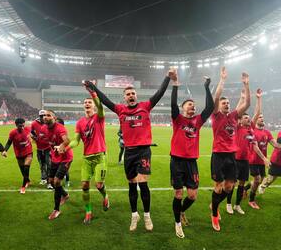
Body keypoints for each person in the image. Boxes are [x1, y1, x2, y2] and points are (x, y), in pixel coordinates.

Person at [84, 68, 174, 232]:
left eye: (133, 93)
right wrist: (93, 88)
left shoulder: (146, 106)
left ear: (136, 95)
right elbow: (105, 100)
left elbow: (160, 93)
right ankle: (134, 215)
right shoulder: (120, 110)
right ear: (124, 98)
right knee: (132, 185)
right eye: (128, 94)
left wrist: (167, 77)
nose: (131, 95)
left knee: (143, 183)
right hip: (129, 152)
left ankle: (146, 215)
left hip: (143, 151)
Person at [170, 71, 214, 238]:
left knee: (192, 196)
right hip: (177, 161)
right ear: (183, 108)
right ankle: (177, 223)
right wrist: (175, 86)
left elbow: (210, 108)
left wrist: (206, 87)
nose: (192, 106)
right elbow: (173, 105)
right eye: (189, 104)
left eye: (193, 104)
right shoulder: (177, 119)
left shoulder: (198, 121)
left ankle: (181, 211)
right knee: (179, 194)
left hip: (191, 162)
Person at [58, 84, 109, 224]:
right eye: (85, 102)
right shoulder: (80, 122)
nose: (87, 104)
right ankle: (88, 211)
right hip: (87, 159)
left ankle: (105, 196)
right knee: (85, 186)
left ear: (93, 105)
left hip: (100, 157)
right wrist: (66, 147)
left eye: (89, 102)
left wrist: (93, 93)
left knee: (99, 185)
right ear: (83, 106)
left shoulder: (99, 117)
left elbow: (101, 107)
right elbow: (76, 141)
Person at [209, 67, 250, 232]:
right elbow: (216, 96)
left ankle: (215, 203)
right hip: (218, 156)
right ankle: (214, 214)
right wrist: (223, 79)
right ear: (219, 106)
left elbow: (247, 103)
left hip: (231, 156)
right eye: (223, 103)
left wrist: (246, 85)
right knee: (219, 186)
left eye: (228, 103)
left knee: (229, 187)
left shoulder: (234, 116)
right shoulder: (216, 116)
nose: (226, 104)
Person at [245, 89, 281, 209]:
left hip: (262, 161)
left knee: (260, 180)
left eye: (263, 117)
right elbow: (255, 146)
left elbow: (275, 144)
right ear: (256, 119)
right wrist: (265, 158)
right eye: (260, 117)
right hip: (252, 160)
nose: (262, 119)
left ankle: (246, 188)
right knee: (257, 179)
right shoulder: (252, 131)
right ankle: (251, 200)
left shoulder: (267, 132)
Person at [44, 111, 73, 220]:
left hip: (66, 158)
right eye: (44, 116)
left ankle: (56, 210)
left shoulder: (60, 127)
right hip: (55, 158)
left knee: (56, 182)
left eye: (48, 115)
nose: (46, 117)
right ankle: (65, 195)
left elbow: (67, 140)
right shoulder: (44, 129)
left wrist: (61, 145)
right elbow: (43, 141)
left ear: (54, 118)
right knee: (51, 181)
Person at [2, 118, 33, 194]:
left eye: (23, 125)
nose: (22, 127)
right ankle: (27, 180)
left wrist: (33, 137)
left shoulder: (28, 129)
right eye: (20, 126)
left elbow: (34, 134)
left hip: (28, 151)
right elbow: (9, 142)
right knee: (23, 170)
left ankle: (23, 187)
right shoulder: (13, 133)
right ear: (16, 125)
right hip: (19, 153)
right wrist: (5, 150)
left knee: (26, 168)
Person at [31, 110, 52, 189]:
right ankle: (43, 178)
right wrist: (34, 137)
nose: (43, 117)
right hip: (39, 148)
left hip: (48, 147)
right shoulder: (34, 123)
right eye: (41, 116)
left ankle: (49, 180)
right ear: (39, 116)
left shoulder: (49, 123)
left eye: (44, 115)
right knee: (42, 164)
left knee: (49, 164)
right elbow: (32, 132)